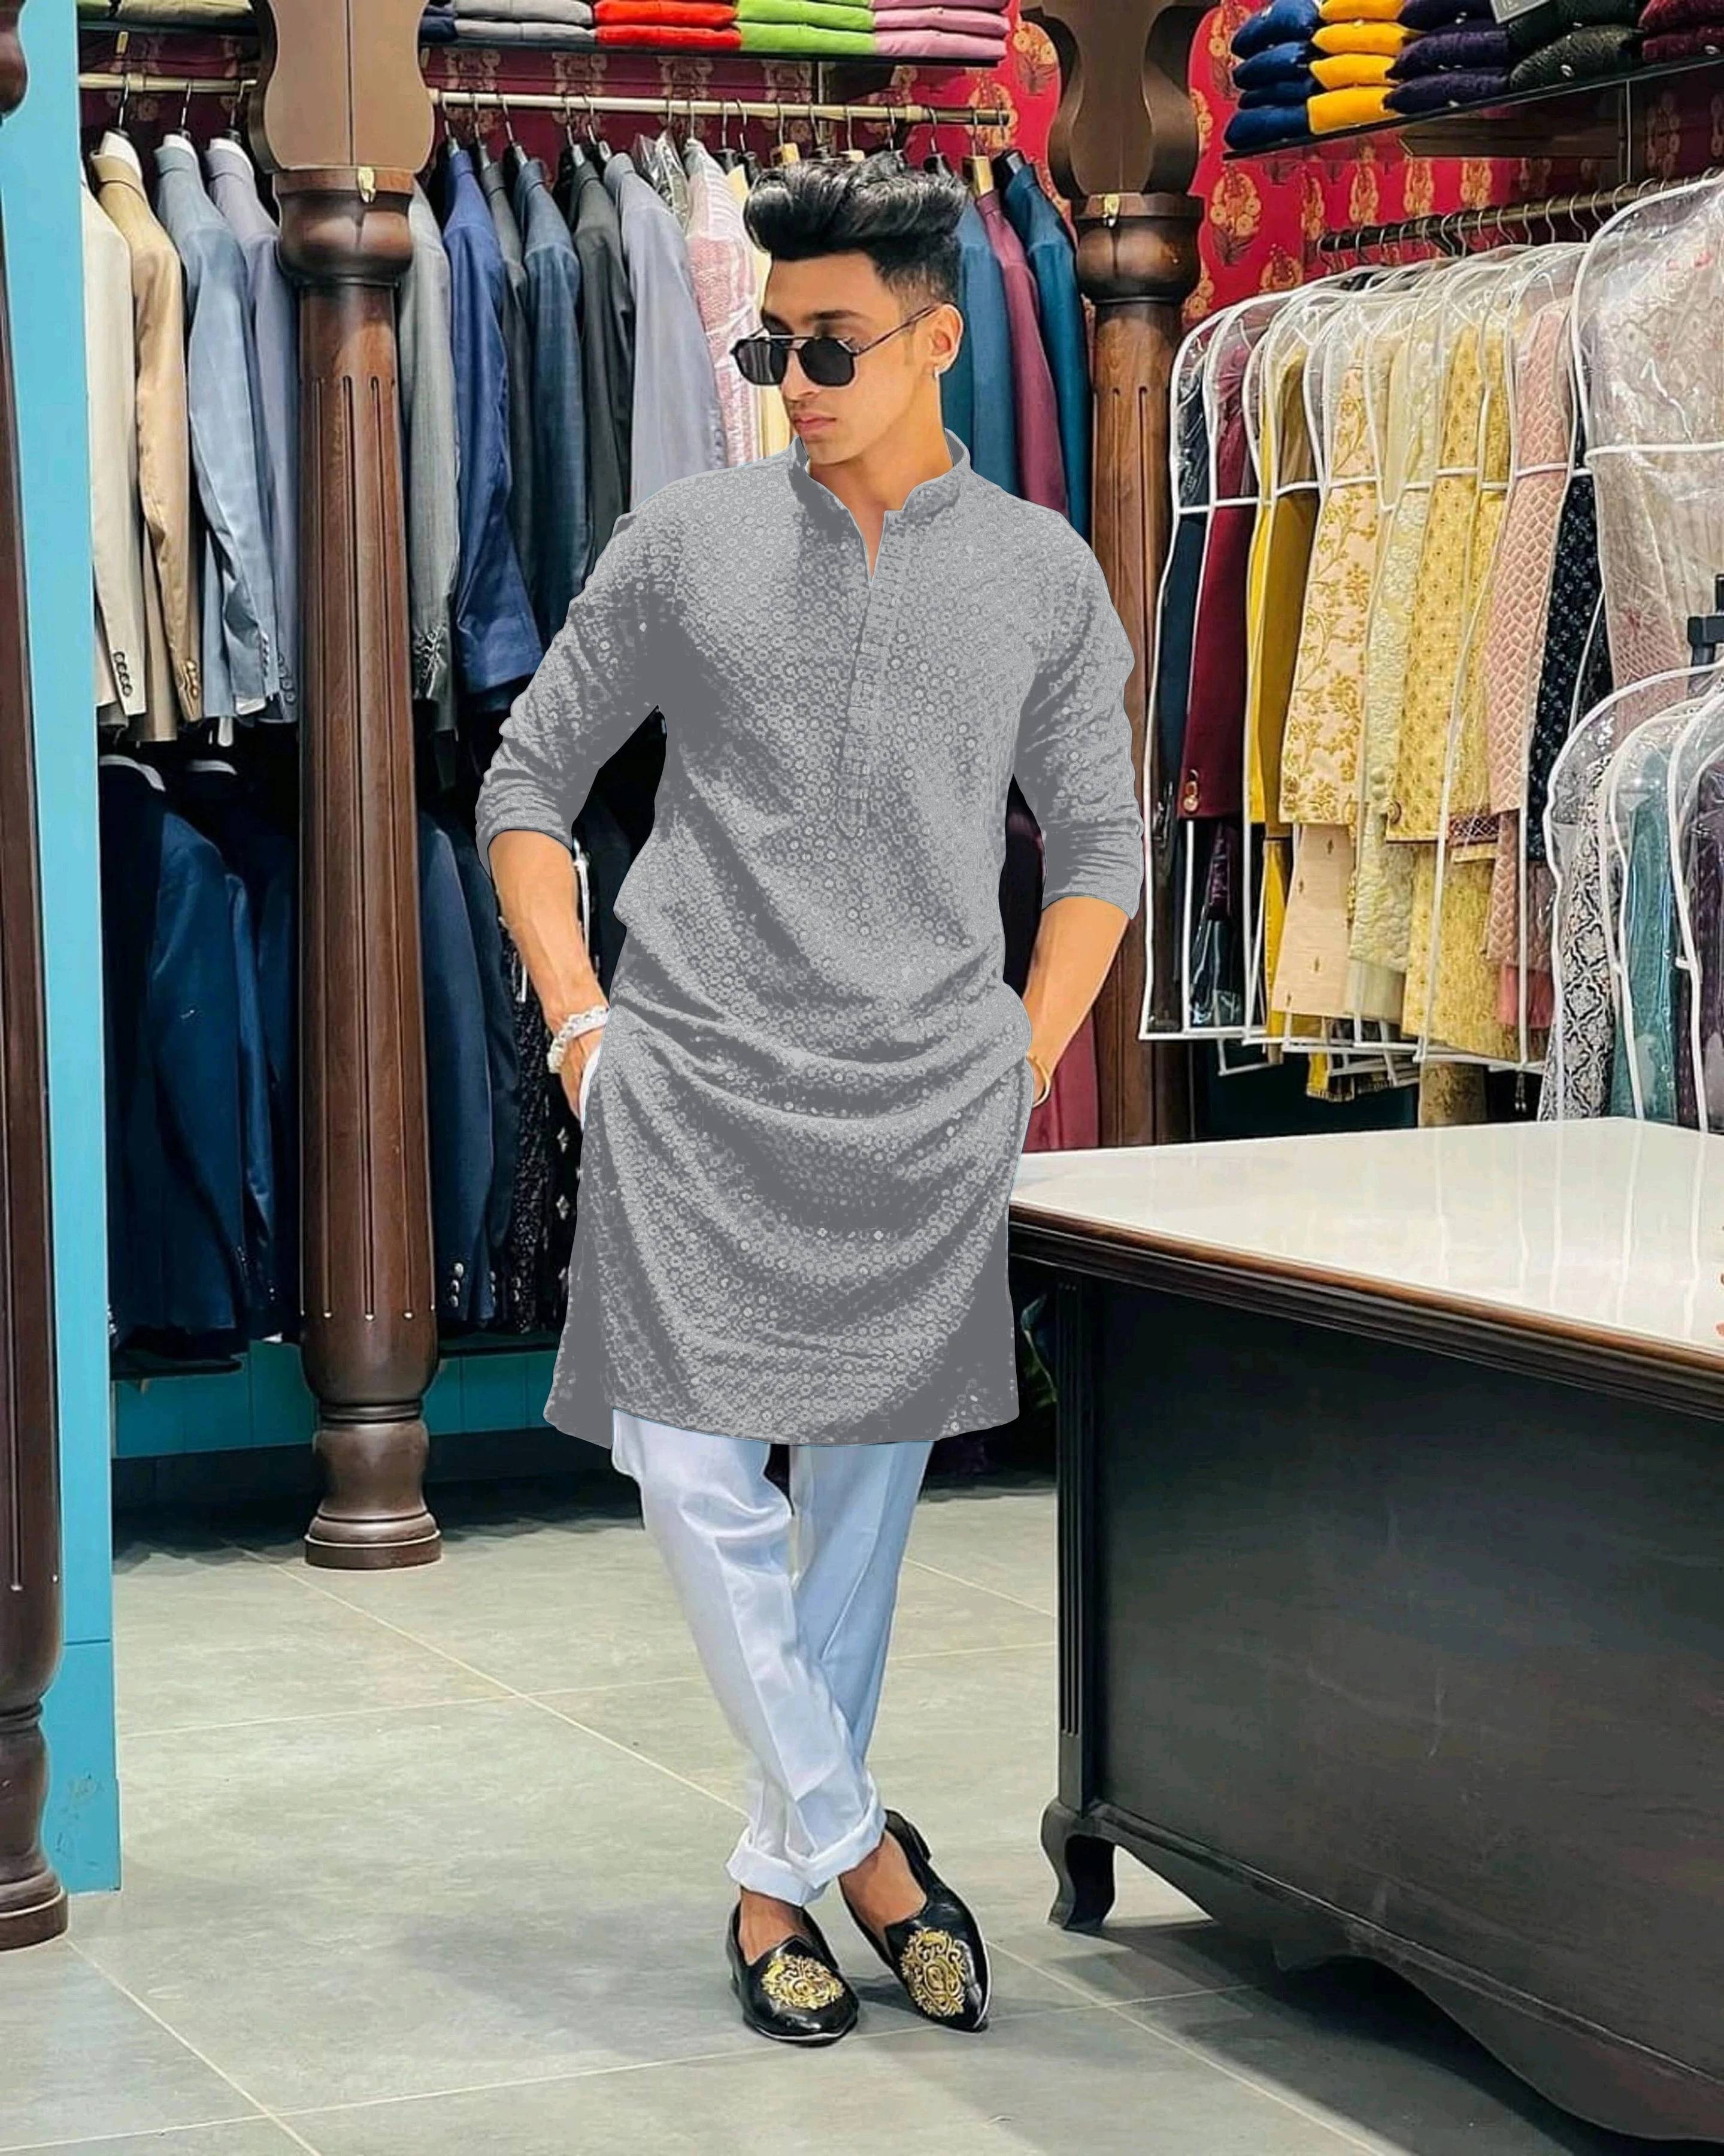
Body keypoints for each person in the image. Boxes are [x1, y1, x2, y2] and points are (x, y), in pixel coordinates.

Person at [477, 153, 1143, 2048]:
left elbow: (1101, 847)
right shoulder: (685, 543)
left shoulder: (1038, 575)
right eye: (770, 348)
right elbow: (526, 784)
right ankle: (863, 1853)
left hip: (921, 1103)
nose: (794, 383)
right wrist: (582, 1026)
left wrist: (1023, 1056)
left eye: (831, 346)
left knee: (857, 1519)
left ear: (939, 341)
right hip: (689, 1081)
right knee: (695, 1479)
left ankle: (778, 1883)